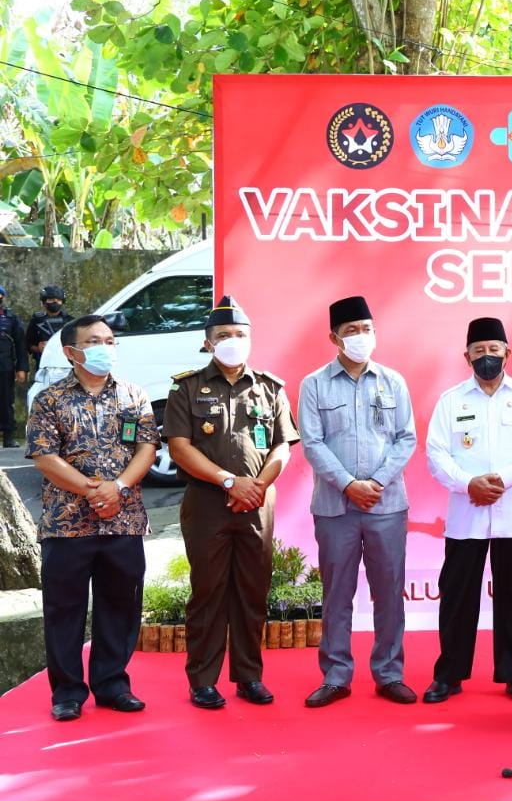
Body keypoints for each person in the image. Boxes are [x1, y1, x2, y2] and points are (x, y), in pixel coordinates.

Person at [165, 295, 300, 710]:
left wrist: (256, 485)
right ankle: (202, 680)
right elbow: (179, 447)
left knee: (252, 591)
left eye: (240, 335)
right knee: (207, 592)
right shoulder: (187, 387)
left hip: (258, 503)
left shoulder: (270, 387)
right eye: (223, 335)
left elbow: (283, 446)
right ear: (208, 343)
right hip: (208, 503)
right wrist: (229, 482)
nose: (232, 341)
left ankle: (248, 676)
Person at [26, 315, 158, 721]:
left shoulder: (134, 395)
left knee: (120, 604)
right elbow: (45, 457)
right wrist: (92, 490)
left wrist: (116, 489)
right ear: (71, 352)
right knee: (64, 609)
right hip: (67, 524)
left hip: (124, 519)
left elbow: (147, 448)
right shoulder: (49, 400)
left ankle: (113, 683)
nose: (106, 347)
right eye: (95, 341)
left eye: (110, 340)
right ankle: (67, 692)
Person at [298, 296, 417, 708]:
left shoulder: (393, 381)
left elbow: (406, 438)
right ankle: (336, 676)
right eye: (351, 331)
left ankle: (389, 673)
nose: (361, 337)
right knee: (337, 593)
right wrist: (349, 484)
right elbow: (311, 443)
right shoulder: (313, 384)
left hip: (387, 504)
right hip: (335, 507)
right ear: (334, 338)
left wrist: (377, 482)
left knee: (389, 591)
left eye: (366, 328)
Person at [423, 316, 512, 705]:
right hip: (465, 514)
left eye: (493, 350)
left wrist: (502, 479)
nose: (486, 357)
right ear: (466, 356)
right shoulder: (451, 400)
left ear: (507, 352)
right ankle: (449, 674)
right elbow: (436, 453)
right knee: (457, 596)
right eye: (478, 351)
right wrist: (467, 483)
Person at [0, 283, 29, 447]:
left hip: (5, 366)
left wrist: (22, 368)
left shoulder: (11, 319)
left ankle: (9, 437)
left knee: (5, 401)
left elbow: (20, 344)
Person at [27, 285, 74, 363]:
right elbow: (28, 344)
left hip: (66, 362)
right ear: (44, 302)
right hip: (44, 363)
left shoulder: (70, 320)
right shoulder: (36, 320)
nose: (55, 302)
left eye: (58, 300)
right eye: (51, 299)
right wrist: (38, 348)